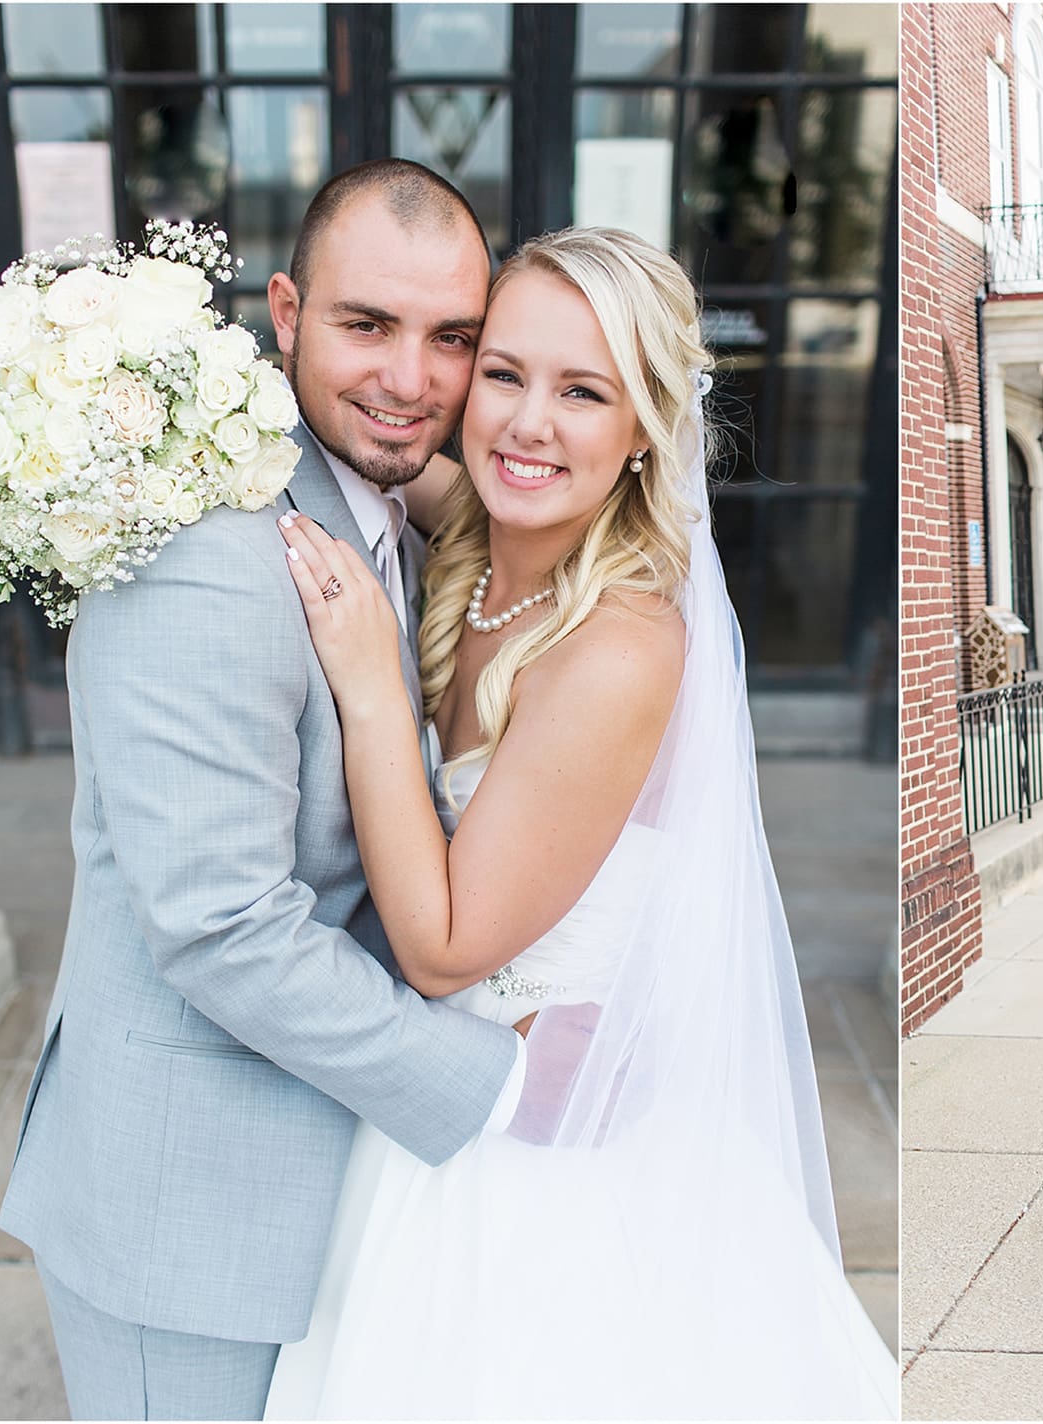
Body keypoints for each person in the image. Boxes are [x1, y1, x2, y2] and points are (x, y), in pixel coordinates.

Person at [259, 225, 897, 1419]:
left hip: (550, 1149)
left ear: (646, 428)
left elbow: (445, 944)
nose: (527, 423)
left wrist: (371, 684)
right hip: (441, 1103)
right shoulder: (480, 537)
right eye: (503, 372)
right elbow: (355, 437)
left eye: (583, 392)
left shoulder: (617, 645)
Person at [0, 159, 531, 1421]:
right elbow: (221, 922)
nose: (410, 378)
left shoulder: (376, 506)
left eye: (452, 338)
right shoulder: (212, 550)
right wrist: (488, 1081)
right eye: (367, 324)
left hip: (313, 1175)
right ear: (285, 315)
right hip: (186, 1216)